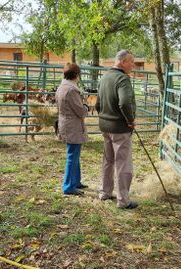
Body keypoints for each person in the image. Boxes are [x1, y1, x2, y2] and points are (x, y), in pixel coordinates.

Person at [95, 50, 138, 209]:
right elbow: (125, 103)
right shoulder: (122, 79)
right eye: (131, 62)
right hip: (120, 128)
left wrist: (105, 117)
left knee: (108, 160)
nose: (133, 66)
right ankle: (123, 200)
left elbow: (98, 104)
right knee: (123, 163)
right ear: (122, 62)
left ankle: (105, 192)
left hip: (105, 126)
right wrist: (130, 120)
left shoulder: (104, 78)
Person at [56, 63, 89, 196]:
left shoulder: (61, 87)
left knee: (74, 154)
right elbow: (81, 112)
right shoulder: (72, 90)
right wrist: (86, 105)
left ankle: (75, 181)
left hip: (65, 123)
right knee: (72, 156)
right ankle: (68, 186)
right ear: (76, 75)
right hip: (73, 126)